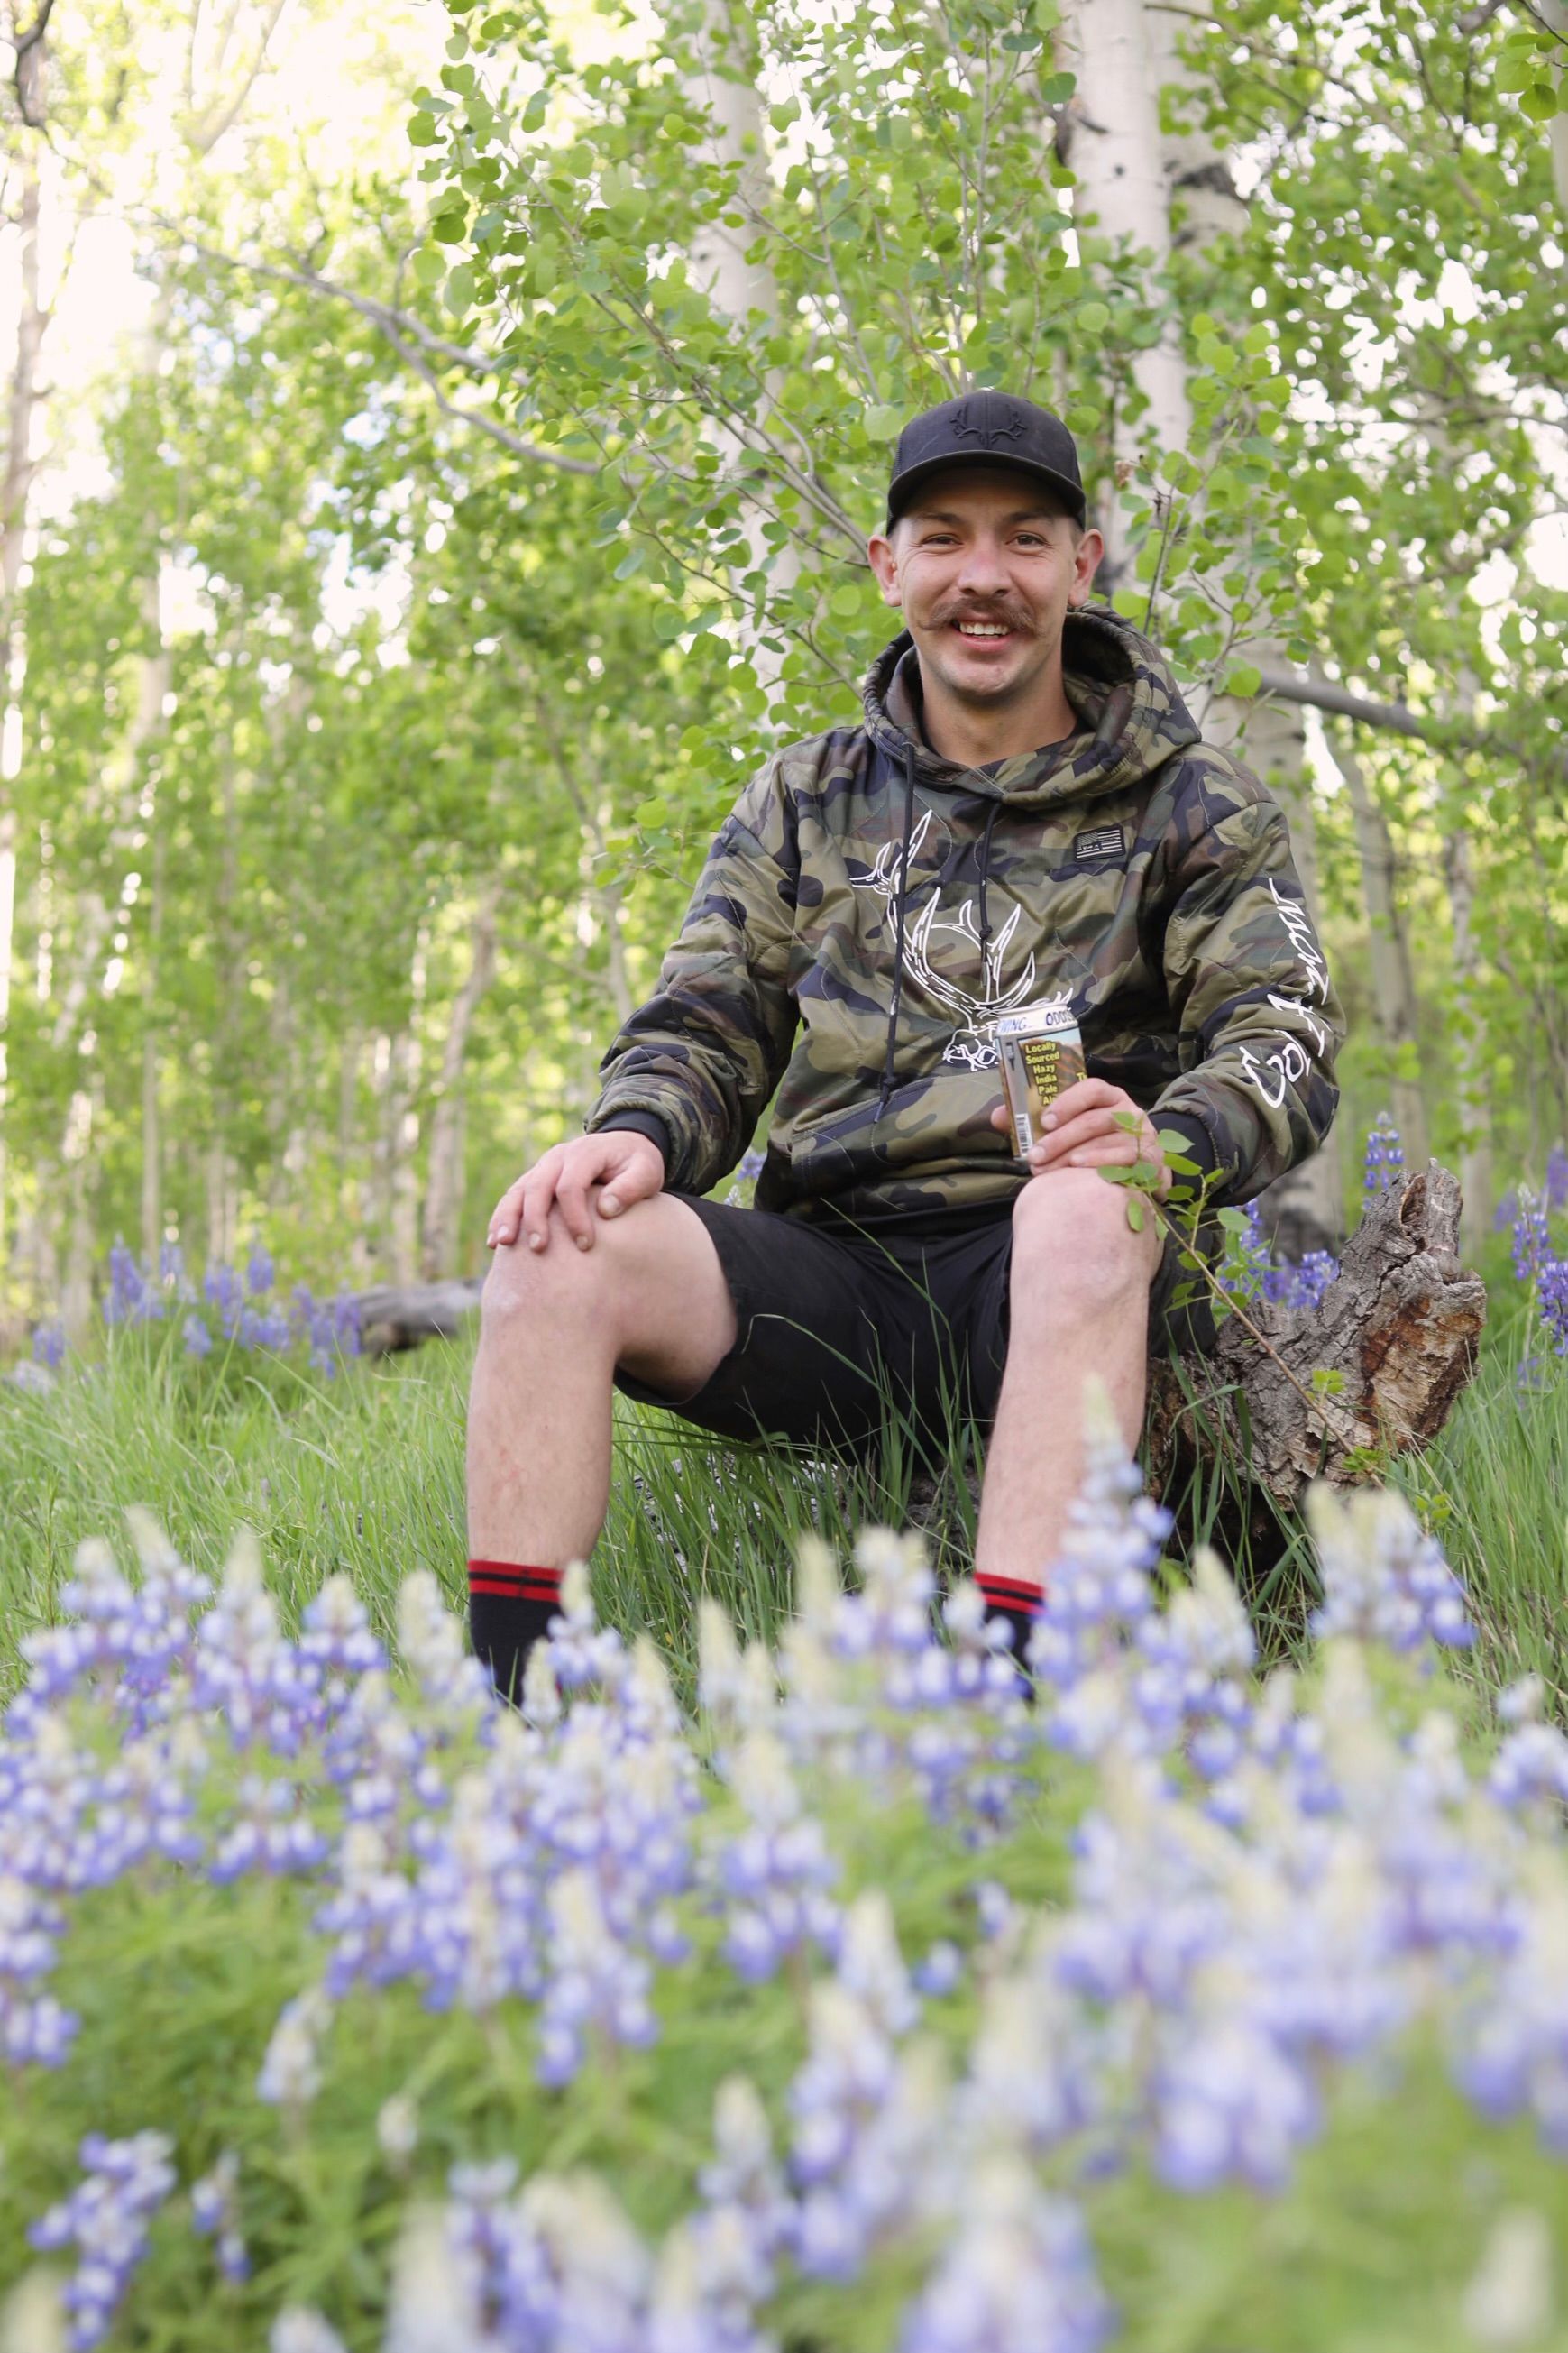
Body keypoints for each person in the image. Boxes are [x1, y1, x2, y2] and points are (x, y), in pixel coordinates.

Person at [466, 391, 1344, 1696]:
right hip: (835, 1279)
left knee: (1084, 1203)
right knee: (558, 1233)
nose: (983, 577)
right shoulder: (803, 798)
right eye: (943, 538)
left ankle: (1013, 1714)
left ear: (1081, 564)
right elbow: (702, 1027)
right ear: (889, 567)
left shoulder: (1194, 800)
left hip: (1072, 1278)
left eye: (1024, 539)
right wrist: (633, 1135)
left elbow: (1286, 1035)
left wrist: (1167, 1139)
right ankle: (509, 1719)